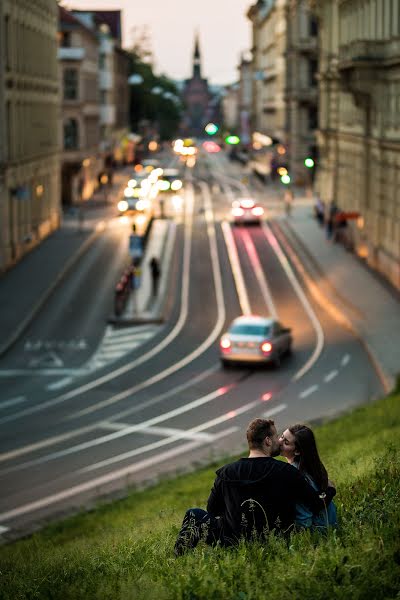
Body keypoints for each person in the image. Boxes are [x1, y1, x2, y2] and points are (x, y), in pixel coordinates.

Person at [174, 418, 336, 555]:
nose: (278, 441)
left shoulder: (226, 473)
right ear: (267, 441)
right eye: (276, 436)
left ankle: (178, 557)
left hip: (232, 541)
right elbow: (316, 503)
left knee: (194, 514)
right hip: (275, 539)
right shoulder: (287, 472)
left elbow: (212, 510)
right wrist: (331, 489)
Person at [279, 424, 337, 530]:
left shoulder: (294, 474)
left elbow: (304, 518)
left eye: (286, 442)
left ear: (297, 451)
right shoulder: (311, 468)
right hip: (331, 525)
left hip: (319, 531)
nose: (279, 442)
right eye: (282, 437)